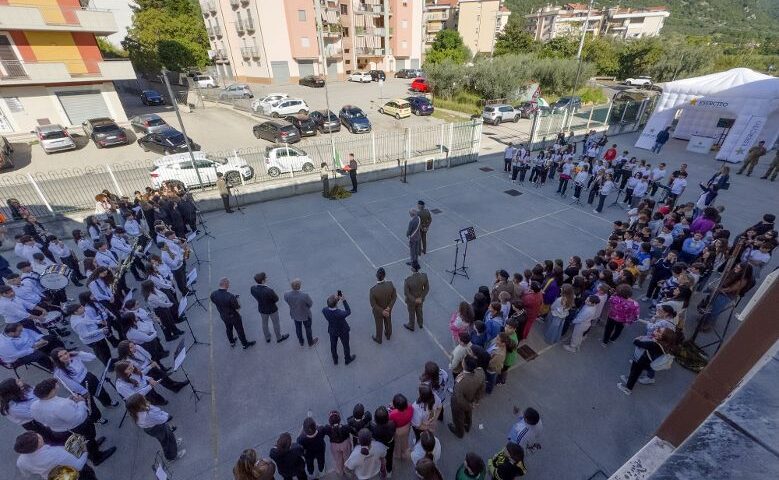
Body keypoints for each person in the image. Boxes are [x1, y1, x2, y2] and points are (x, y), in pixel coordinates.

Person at [30, 378, 116, 465]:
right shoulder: (60, 406)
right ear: (51, 391)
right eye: (55, 385)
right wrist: (81, 402)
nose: (57, 385)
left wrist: (69, 400)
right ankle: (97, 457)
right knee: (88, 439)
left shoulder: (34, 406)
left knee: (84, 442)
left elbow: (42, 418)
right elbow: (79, 417)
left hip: (58, 430)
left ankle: (93, 448)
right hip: (77, 427)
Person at [50, 348, 116, 424]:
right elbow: (70, 384)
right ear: (57, 359)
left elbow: (92, 357)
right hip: (80, 385)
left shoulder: (74, 356)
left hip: (89, 376)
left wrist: (78, 353)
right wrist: (83, 392)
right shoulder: (59, 372)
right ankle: (97, 418)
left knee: (101, 391)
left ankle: (107, 402)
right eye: (61, 356)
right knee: (90, 404)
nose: (65, 356)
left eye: (65, 353)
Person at [14, 431, 98, 480]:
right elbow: (79, 465)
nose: (39, 435)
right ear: (38, 443)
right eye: (37, 436)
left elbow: (27, 473)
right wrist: (85, 452)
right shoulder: (55, 454)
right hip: (76, 474)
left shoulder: (20, 461)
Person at [125, 393, 185, 461]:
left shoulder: (137, 412)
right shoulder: (147, 415)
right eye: (142, 399)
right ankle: (171, 456)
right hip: (157, 428)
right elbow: (161, 418)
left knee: (168, 436)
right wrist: (167, 416)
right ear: (140, 404)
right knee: (166, 441)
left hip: (153, 427)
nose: (144, 398)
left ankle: (173, 444)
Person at [617, 328, 675, 395]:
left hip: (641, 361)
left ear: (661, 336)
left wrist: (637, 338)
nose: (656, 329)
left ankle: (628, 389)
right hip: (648, 362)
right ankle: (629, 379)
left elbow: (637, 343)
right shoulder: (664, 345)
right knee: (635, 372)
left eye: (658, 330)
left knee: (635, 372)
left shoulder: (653, 344)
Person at [210, 277, 255, 349]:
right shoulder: (230, 296)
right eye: (228, 284)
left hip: (223, 316)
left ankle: (232, 342)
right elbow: (238, 308)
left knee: (228, 328)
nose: (229, 285)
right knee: (239, 330)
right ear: (226, 285)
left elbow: (214, 302)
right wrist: (237, 300)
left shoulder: (213, 294)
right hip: (233, 316)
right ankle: (244, 344)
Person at [448, 355, 485, 438]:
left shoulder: (460, 383)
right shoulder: (480, 372)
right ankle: (468, 426)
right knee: (468, 415)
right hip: (471, 399)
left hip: (459, 405)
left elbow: (460, 400)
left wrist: (469, 406)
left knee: (457, 419)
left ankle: (459, 433)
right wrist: (476, 400)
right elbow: (482, 387)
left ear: (464, 365)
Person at [251, 272, 289, 344]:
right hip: (272, 309)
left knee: (264, 323)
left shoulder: (253, 288)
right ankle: (279, 337)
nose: (266, 279)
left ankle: (267, 337)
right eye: (265, 278)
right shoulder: (268, 290)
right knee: (276, 323)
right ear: (262, 281)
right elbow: (276, 299)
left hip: (262, 309)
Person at [283, 279, 318, 348]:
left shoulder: (286, 294)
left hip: (295, 314)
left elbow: (286, 300)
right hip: (305, 315)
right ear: (299, 286)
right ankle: (310, 342)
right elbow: (310, 304)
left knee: (298, 328)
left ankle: (301, 341)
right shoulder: (304, 295)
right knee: (308, 328)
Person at [322, 293, 355, 365]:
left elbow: (329, 306)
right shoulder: (339, 313)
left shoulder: (324, 310)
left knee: (333, 345)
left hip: (332, 331)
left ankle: (335, 359)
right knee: (345, 345)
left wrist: (336, 300)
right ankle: (347, 359)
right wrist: (344, 300)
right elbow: (348, 311)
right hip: (343, 331)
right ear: (336, 304)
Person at [369, 267, 396, 344]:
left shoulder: (373, 290)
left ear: (376, 276)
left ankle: (379, 338)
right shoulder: (390, 284)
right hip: (388, 309)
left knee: (379, 324)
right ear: (384, 276)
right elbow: (394, 297)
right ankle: (388, 334)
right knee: (388, 321)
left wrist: (382, 311)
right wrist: (389, 307)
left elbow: (373, 304)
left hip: (378, 312)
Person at [323, 410, 353, 476]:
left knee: (338, 459)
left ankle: (340, 471)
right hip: (345, 444)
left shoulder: (327, 428)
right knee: (347, 457)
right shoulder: (345, 427)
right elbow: (351, 430)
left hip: (334, 446)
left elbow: (322, 430)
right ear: (339, 420)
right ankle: (347, 470)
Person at [403, 261, 429, 332]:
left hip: (411, 301)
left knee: (411, 312)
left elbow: (406, 293)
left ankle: (411, 325)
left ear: (413, 269)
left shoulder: (408, 280)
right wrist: (421, 297)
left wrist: (414, 300)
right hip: (420, 299)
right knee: (419, 310)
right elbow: (427, 288)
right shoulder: (424, 276)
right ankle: (420, 323)